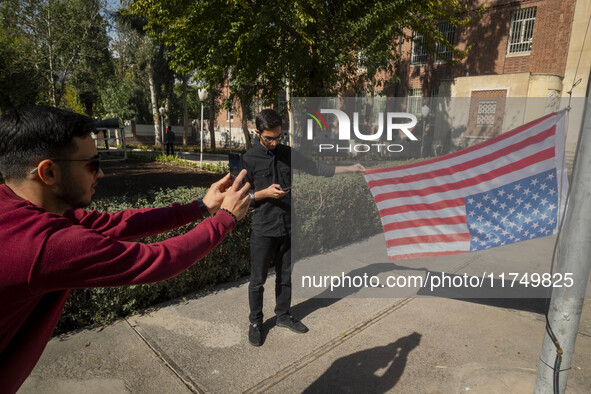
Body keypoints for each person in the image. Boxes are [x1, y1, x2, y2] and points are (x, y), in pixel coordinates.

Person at [0, 105, 252, 393]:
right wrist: (226, 219)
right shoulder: (44, 244)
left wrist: (201, 207)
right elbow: (157, 260)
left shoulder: (21, 208)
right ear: (48, 172)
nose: (101, 173)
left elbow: (117, 223)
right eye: (91, 164)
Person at [242, 109, 365, 346]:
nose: (275, 142)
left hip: (288, 225)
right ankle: (256, 322)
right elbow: (240, 197)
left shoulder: (287, 153)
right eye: (269, 138)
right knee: (257, 280)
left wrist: (351, 168)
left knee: (285, 276)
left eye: (279, 137)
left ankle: (283, 315)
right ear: (257, 133)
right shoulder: (249, 159)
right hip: (263, 229)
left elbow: (317, 168)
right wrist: (264, 193)